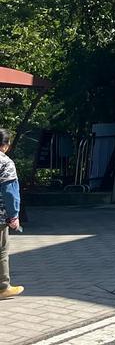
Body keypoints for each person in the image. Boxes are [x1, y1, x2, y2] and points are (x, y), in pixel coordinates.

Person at [0, 129, 23, 300]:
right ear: (5, 146)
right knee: (1, 250)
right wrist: (13, 216)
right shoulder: (6, 163)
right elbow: (10, 192)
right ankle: (3, 286)